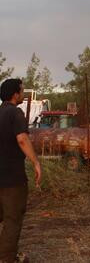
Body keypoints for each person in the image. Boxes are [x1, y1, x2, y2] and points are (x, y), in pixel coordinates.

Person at [0, 79, 41, 263]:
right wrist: (36, 163)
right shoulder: (15, 113)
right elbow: (22, 139)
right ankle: (7, 258)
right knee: (12, 219)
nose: (23, 93)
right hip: (12, 178)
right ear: (15, 94)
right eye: (22, 90)